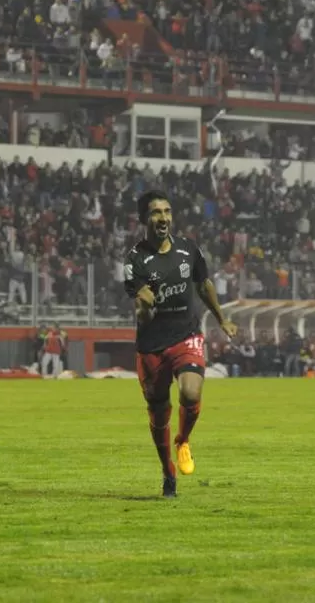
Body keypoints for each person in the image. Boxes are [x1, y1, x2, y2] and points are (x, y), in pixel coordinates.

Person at [123, 190, 237, 498]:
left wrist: (221, 318)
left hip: (187, 335)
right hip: (151, 346)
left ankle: (183, 440)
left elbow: (204, 284)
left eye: (167, 211)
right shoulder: (136, 261)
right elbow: (142, 310)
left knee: (191, 391)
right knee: (158, 412)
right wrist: (145, 306)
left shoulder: (188, 250)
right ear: (144, 219)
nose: (163, 218)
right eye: (156, 212)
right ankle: (167, 470)